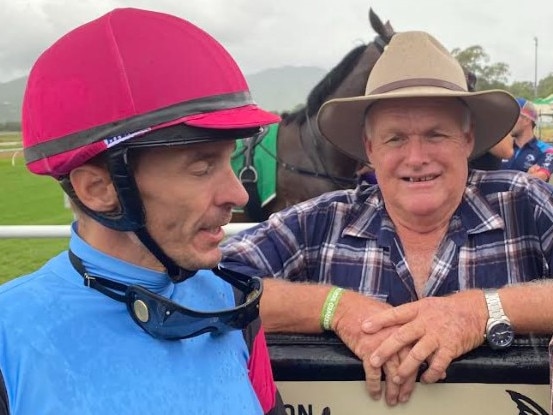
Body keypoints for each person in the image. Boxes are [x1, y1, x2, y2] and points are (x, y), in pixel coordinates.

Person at [221, 30, 553, 407]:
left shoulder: (525, 202)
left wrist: (481, 312)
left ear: (467, 139)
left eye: (436, 134)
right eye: (395, 138)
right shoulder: (321, 221)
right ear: (370, 149)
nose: (416, 157)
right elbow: (205, 287)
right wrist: (334, 307)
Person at [0, 8, 285, 414]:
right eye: (202, 167)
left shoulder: (234, 304)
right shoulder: (8, 336)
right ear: (99, 190)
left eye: (231, 161)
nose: (238, 194)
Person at [501, 97, 553, 181]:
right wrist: (526, 177)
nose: (509, 121)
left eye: (513, 116)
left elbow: (540, 177)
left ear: (526, 120)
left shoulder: (547, 150)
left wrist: (530, 179)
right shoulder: (502, 148)